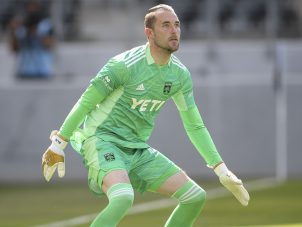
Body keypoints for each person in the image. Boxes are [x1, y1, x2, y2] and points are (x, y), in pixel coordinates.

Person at [41, 4, 249, 227]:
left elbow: (194, 125)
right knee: (123, 197)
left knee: (195, 197)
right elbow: (85, 102)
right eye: (166, 25)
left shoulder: (179, 75)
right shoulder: (123, 66)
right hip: (102, 140)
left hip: (137, 148)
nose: (174, 31)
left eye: (177, 25)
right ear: (149, 33)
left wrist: (221, 169)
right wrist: (59, 143)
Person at [8, 0, 55, 79]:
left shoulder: (45, 25)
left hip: (43, 71)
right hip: (24, 71)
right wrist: (13, 32)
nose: (32, 10)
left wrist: (37, 34)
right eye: (30, 6)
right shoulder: (22, 27)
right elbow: (14, 49)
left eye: (35, 7)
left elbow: (50, 46)